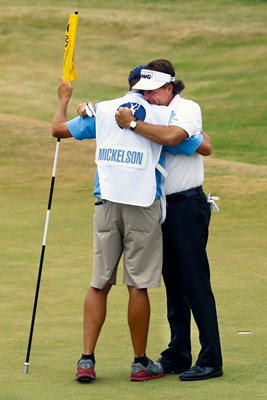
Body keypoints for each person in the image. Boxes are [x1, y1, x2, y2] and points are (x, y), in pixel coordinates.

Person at [51, 65, 193, 383]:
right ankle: (139, 363)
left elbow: (58, 129)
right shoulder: (160, 116)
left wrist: (64, 98)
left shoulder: (100, 110)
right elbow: (197, 145)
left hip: (106, 204)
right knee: (137, 286)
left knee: (99, 283)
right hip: (143, 206)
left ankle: (86, 360)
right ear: (149, 88)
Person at [115, 59, 223, 381]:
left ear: (169, 87)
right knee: (175, 286)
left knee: (195, 284)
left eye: (152, 91)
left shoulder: (186, 108)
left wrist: (134, 125)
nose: (147, 98)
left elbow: (177, 137)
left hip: (187, 206)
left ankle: (211, 359)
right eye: (142, 92)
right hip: (161, 208)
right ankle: (178, 353)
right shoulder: (153, 111)